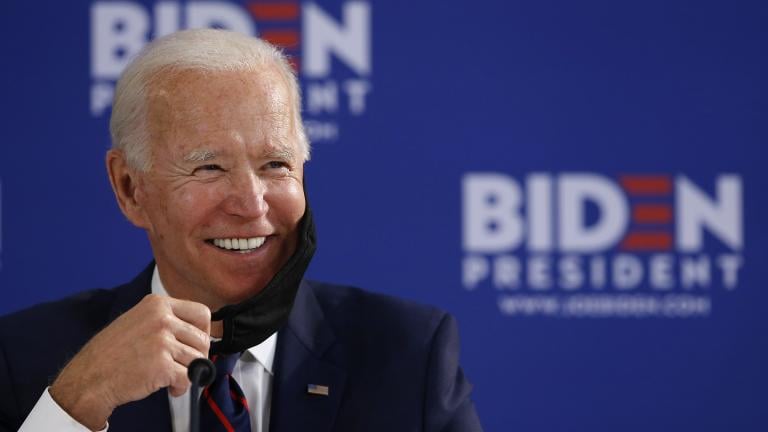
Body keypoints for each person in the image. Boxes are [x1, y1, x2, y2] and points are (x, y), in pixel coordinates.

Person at [0, 29, 482, 432]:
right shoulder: (24, 360)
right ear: (130, 188)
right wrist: (76, 407)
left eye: (276, 164)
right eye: (208, 167)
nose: (252, 205)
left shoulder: (410, 356)